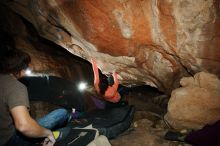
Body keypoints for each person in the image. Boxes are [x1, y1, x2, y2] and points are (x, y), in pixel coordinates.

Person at [0, 47, 70, 146]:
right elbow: (23, 126)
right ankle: (49, 136)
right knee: (61, 113)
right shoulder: (15, 86)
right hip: (10, 141)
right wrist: (48, 133)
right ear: (22, 68)